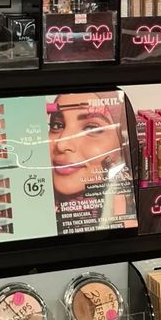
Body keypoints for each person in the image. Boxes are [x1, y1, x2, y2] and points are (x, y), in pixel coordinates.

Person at [48, 93, 136, 231]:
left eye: (91, 128)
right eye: (57, 125)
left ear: (123, 144)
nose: (61, 144)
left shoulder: (127, 212)